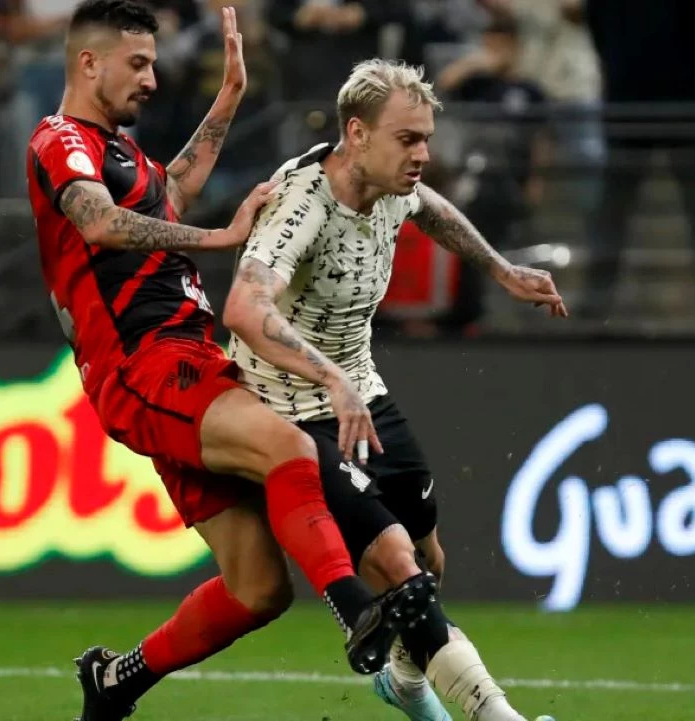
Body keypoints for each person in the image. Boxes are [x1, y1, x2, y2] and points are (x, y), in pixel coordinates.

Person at [24, 3, 437, 720]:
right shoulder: (62, 140)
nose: (152, 78)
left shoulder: (124, 154)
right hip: (143, 363)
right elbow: (96, 219)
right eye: (138, 63)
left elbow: (170, 186)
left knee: (258, 588)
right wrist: (219, 237)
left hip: (183, 361)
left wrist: (228, 100)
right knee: (287, 445)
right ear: (88, 62)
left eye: (152, 63)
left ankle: (116, 682)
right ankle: (353, 611)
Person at [224, 58, 568, 721]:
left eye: (426, 138)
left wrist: (500, 270)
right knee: (395, 560)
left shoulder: (391, 184)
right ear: (356, 133)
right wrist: (328, 378)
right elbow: (242, 308)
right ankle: (497, 716)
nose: (423, 154)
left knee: (429, 556)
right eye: (408, 139)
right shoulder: (303, 203)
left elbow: (431, 208)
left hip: (361, 393)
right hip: (290, 413)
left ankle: (407, 677)